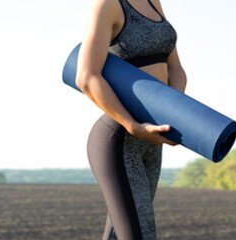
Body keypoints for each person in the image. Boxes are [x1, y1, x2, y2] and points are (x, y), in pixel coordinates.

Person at [75, 0, 185, 239]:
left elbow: (175, 67)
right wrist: (131, 125)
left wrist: (177, 112)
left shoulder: (152, 2)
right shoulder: (108, 4)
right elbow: (86, 77)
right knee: (140, 235)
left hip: (152, 140)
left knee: (119, 234)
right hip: (120, 137)